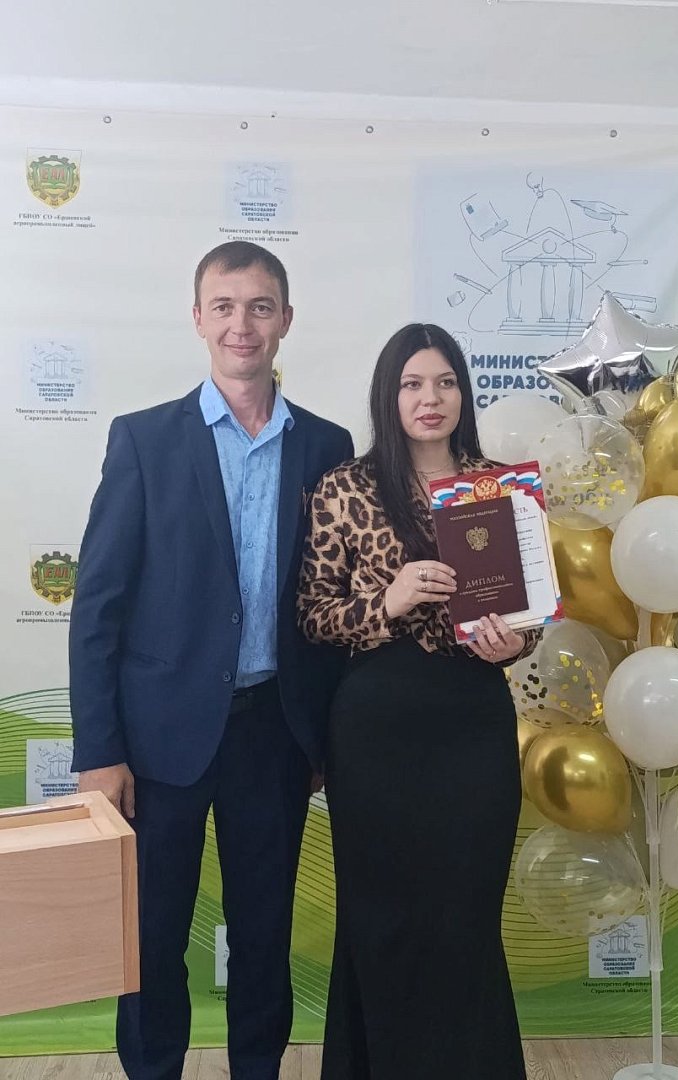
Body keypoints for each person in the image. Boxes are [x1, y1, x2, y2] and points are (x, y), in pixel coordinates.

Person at [69, 241, 353, 1080]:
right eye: (224, 307)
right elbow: (98, 607)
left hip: (276, 735)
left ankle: (257, 1069)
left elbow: (333, 606)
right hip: (158, 742)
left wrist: (324, 739)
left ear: (285, 319)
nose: (242, 325)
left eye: (259, 307)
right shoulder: (144, 441)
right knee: (153, 934)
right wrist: (99, 752)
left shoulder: (327, 446)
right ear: (198, 319)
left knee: (264, 933)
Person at [297, 323, 539, 1080]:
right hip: (376, 731)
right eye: (411, 384)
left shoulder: (501, 487)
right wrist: (389, 601)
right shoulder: (344, 487)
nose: (429, 398)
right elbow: (312, 614)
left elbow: (529, 615)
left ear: (463, 392)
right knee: (383, 918)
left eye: (444, 382)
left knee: (465, 916)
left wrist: (514, 643)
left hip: (473, 722)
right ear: (388, 395)